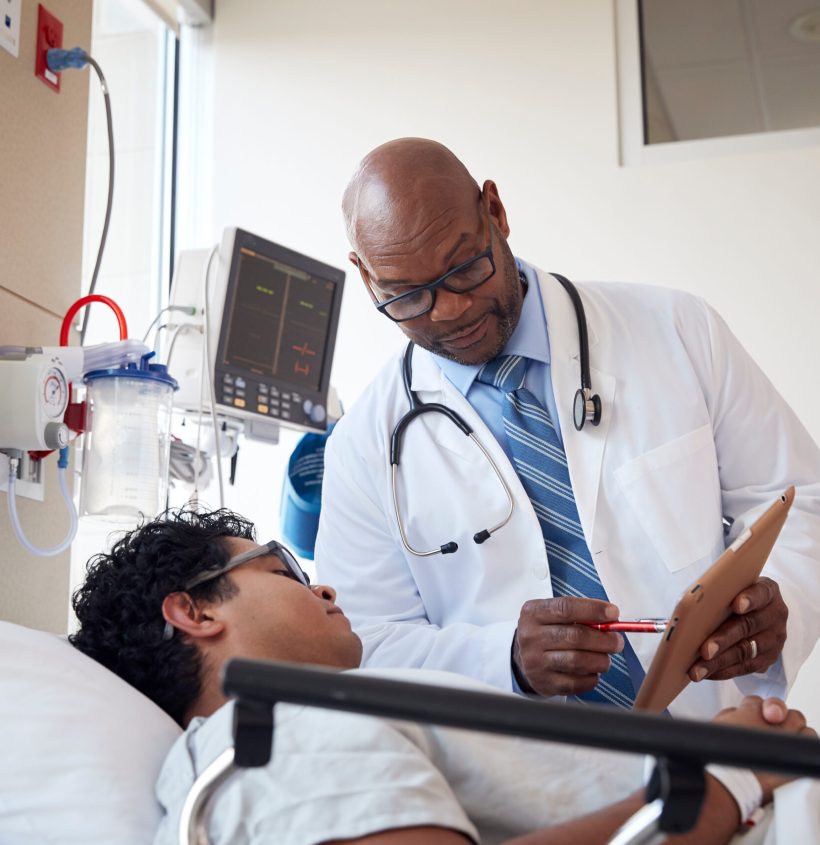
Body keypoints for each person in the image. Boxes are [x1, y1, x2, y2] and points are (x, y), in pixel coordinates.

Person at [314, 137, 820, 719]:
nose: (449, 310)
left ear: (495, 213)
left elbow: (796, 498)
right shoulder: (362, 450)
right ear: (366, 277)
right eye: (407, 296)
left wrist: (785, 601)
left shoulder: (677, 329)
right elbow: (364, 644)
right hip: (526, 789)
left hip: (718, 737)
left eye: (464, 269)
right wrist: (499, 658)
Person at [69, 509, 818, 845]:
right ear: (195, 611)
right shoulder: (263, 733)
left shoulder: (310, 715)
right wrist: (727, 780)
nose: (325, 589)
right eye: (284, 568)